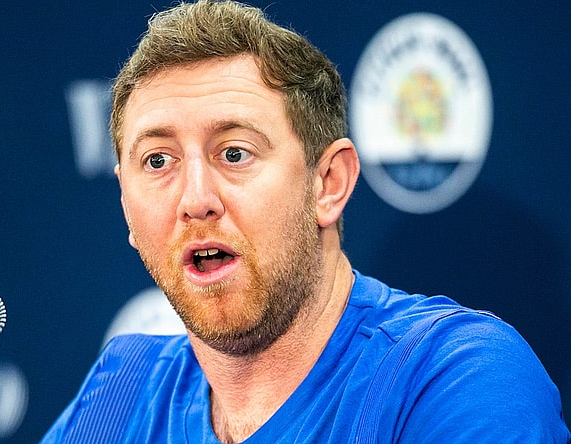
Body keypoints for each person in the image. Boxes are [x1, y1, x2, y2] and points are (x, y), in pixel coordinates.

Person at [41, 1, 570, 442]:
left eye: (235, 153)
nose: (195, 199)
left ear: (329, 183)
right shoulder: (122, 390)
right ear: (125, 205)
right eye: (158, 161)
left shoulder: (456, 378)